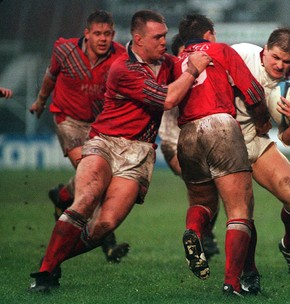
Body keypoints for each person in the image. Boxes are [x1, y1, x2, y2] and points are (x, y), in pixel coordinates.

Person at [28, 9, 211, 292]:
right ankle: (44, 274)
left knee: (105, 224)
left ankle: (52, 259)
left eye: (165, 36)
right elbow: (168, 98)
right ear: (138, 39)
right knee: (85, 200)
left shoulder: (166, 63)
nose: (165, 41)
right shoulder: (124, 68)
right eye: (158, 37)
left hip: (139, 154)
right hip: (106, 142)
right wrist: (193, 69)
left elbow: (189, 67)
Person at [173, 14, 271, 296]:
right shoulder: (220, 50)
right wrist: (263, 119)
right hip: (220, 126)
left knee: (204, 203)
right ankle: (232, 281)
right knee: (239, 209)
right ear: (209, 34)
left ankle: (193, 229)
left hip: (188, 133)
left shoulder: (178, 61)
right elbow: (252, 90)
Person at [29, 10, 130, 263]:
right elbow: (51, 76)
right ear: (86, 34)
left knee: (93, 181)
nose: (103, 39)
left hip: (98, 126)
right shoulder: (64, 50)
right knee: (94, 180)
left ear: (113, 34)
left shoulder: (120, 56)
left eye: (107, 34)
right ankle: (109, 245)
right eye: (97, 33)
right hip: (69, 121)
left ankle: (63, 196)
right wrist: (40, 101)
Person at [232, 27, 290, 284]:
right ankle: (249, 272)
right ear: (265, 49)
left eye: (287, 61)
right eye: (275, 57)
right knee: (244, 210)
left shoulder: (289, 87)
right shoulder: (241, 55)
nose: (280, 65)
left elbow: (286, 140)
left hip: (256, 141)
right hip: (227, 144)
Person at [158, 34, 220, 260]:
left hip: (202, 141)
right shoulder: (170, 73)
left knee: (210, 190)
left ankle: (204, 234)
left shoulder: (205, 74)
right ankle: (202, 235)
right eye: (186, 53)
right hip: (173, 143)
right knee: (202, 187)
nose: (191, 58)